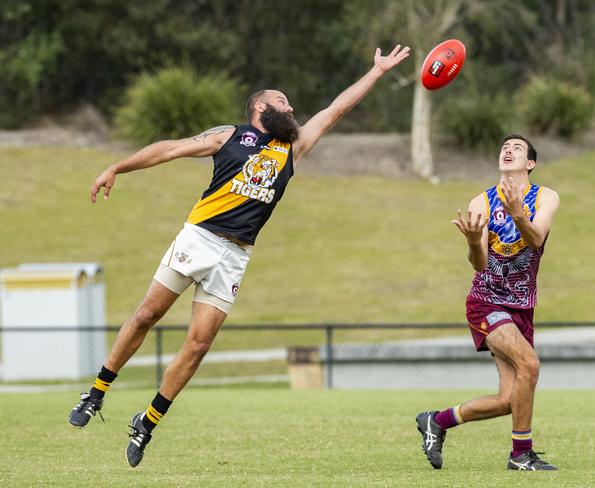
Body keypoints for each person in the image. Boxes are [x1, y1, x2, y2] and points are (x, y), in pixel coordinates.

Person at [68, 44, 410, 467]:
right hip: (199, 239)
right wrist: (118, 167)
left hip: (235, 255)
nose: (292, 107)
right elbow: (170, 148)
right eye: (283, 101)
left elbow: (337, 108)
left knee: (198, 345)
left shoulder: (294, 146)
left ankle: (147, 421)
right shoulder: (230, 136)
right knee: (146, 315)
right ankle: (97, 392)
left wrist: (376, 73)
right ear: (261, 107)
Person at [416, 134, 560, 471]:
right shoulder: (481, 202)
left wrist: (518, 214)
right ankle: (520, 455)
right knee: (531, 365)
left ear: (531, 163)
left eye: (518, 148)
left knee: (511, 400)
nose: (508, 150)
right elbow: (479, 263)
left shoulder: (546, 197)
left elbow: (536, 238)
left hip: (522, 308)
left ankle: (436, 421)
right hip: (486, 302)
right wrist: (471, 242)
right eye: (505, 147)